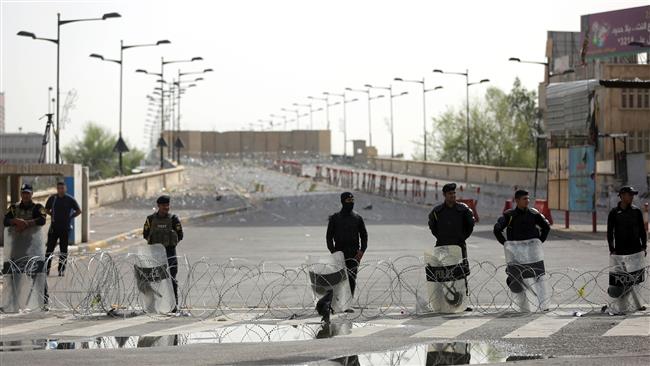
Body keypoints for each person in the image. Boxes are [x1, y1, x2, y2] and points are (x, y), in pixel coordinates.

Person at [142, 195, 183, 311]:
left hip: (170, 252)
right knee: (154, 280)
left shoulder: (174, 219)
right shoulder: (150, 219)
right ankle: (154, 305)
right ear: (158, 206)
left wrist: (170, 244)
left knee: (171, 279)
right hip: (155, 253)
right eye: (164, 205)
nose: (166, 207)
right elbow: (145, 234)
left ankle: (174, 305)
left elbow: (180, 235)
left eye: (167, 205)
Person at [326, 192, 368, 300]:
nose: (351, 202)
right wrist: (333, 252)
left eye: (352, 200)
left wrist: (361, 251)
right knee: (339, 279)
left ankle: (348, 302)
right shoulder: (335, 218)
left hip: (354, 253)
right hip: (339, 252)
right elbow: (329, 237)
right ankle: (338, 302)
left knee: (351, 278)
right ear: (343, 201)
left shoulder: (357, 218)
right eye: (348, 201)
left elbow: (364, 236)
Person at [428, 183, 475, 261]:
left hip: (458, 246)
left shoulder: (463, 210)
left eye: (454, 193)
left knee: (460, 271)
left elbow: (470, 225)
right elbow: (433, 227)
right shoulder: (437, 211)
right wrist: (441, 238)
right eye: (450, 193)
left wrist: (462, 237)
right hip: (442, 246)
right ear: (444, 195)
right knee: (443, 271)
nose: (453, 195)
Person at [44, 181, 82, 276]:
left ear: (65, 189)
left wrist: (70, 216)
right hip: (54, 228)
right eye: (59, 188)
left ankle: (61, 270)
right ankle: (46, 269)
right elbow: (46, 209)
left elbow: (79, 210)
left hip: (65, 228)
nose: (60, 190)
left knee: (63, 250)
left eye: (62, 188)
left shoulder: (70, 199)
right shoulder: (53, 198)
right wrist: (52, 214)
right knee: (49, 249)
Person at [607, 186, 647, 257]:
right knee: (622, 268)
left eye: (633, 195)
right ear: (622, 195)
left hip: (636, 250)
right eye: (630, 195)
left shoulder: (637, 211)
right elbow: (610, 233)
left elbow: (642, 231)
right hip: (620, 251)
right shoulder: (614, 212)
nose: (632, 197)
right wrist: (612, 250)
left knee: (638, 268)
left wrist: (644, 247)